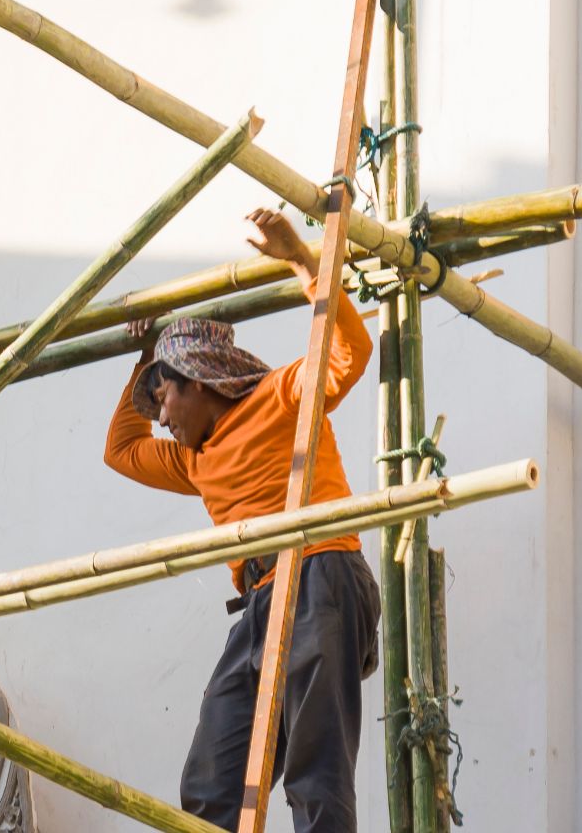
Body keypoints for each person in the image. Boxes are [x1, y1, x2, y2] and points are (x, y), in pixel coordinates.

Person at [103, 208, 383, 833]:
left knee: (317, 776)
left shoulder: (281, 397)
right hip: (261, 597)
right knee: (210, 787)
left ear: (199, 383)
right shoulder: (196, 458)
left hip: (319, 572)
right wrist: (146, 356)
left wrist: (299, 260)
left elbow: (349, 349)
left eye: (164, 396)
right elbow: (119, 450)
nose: (161, 416)